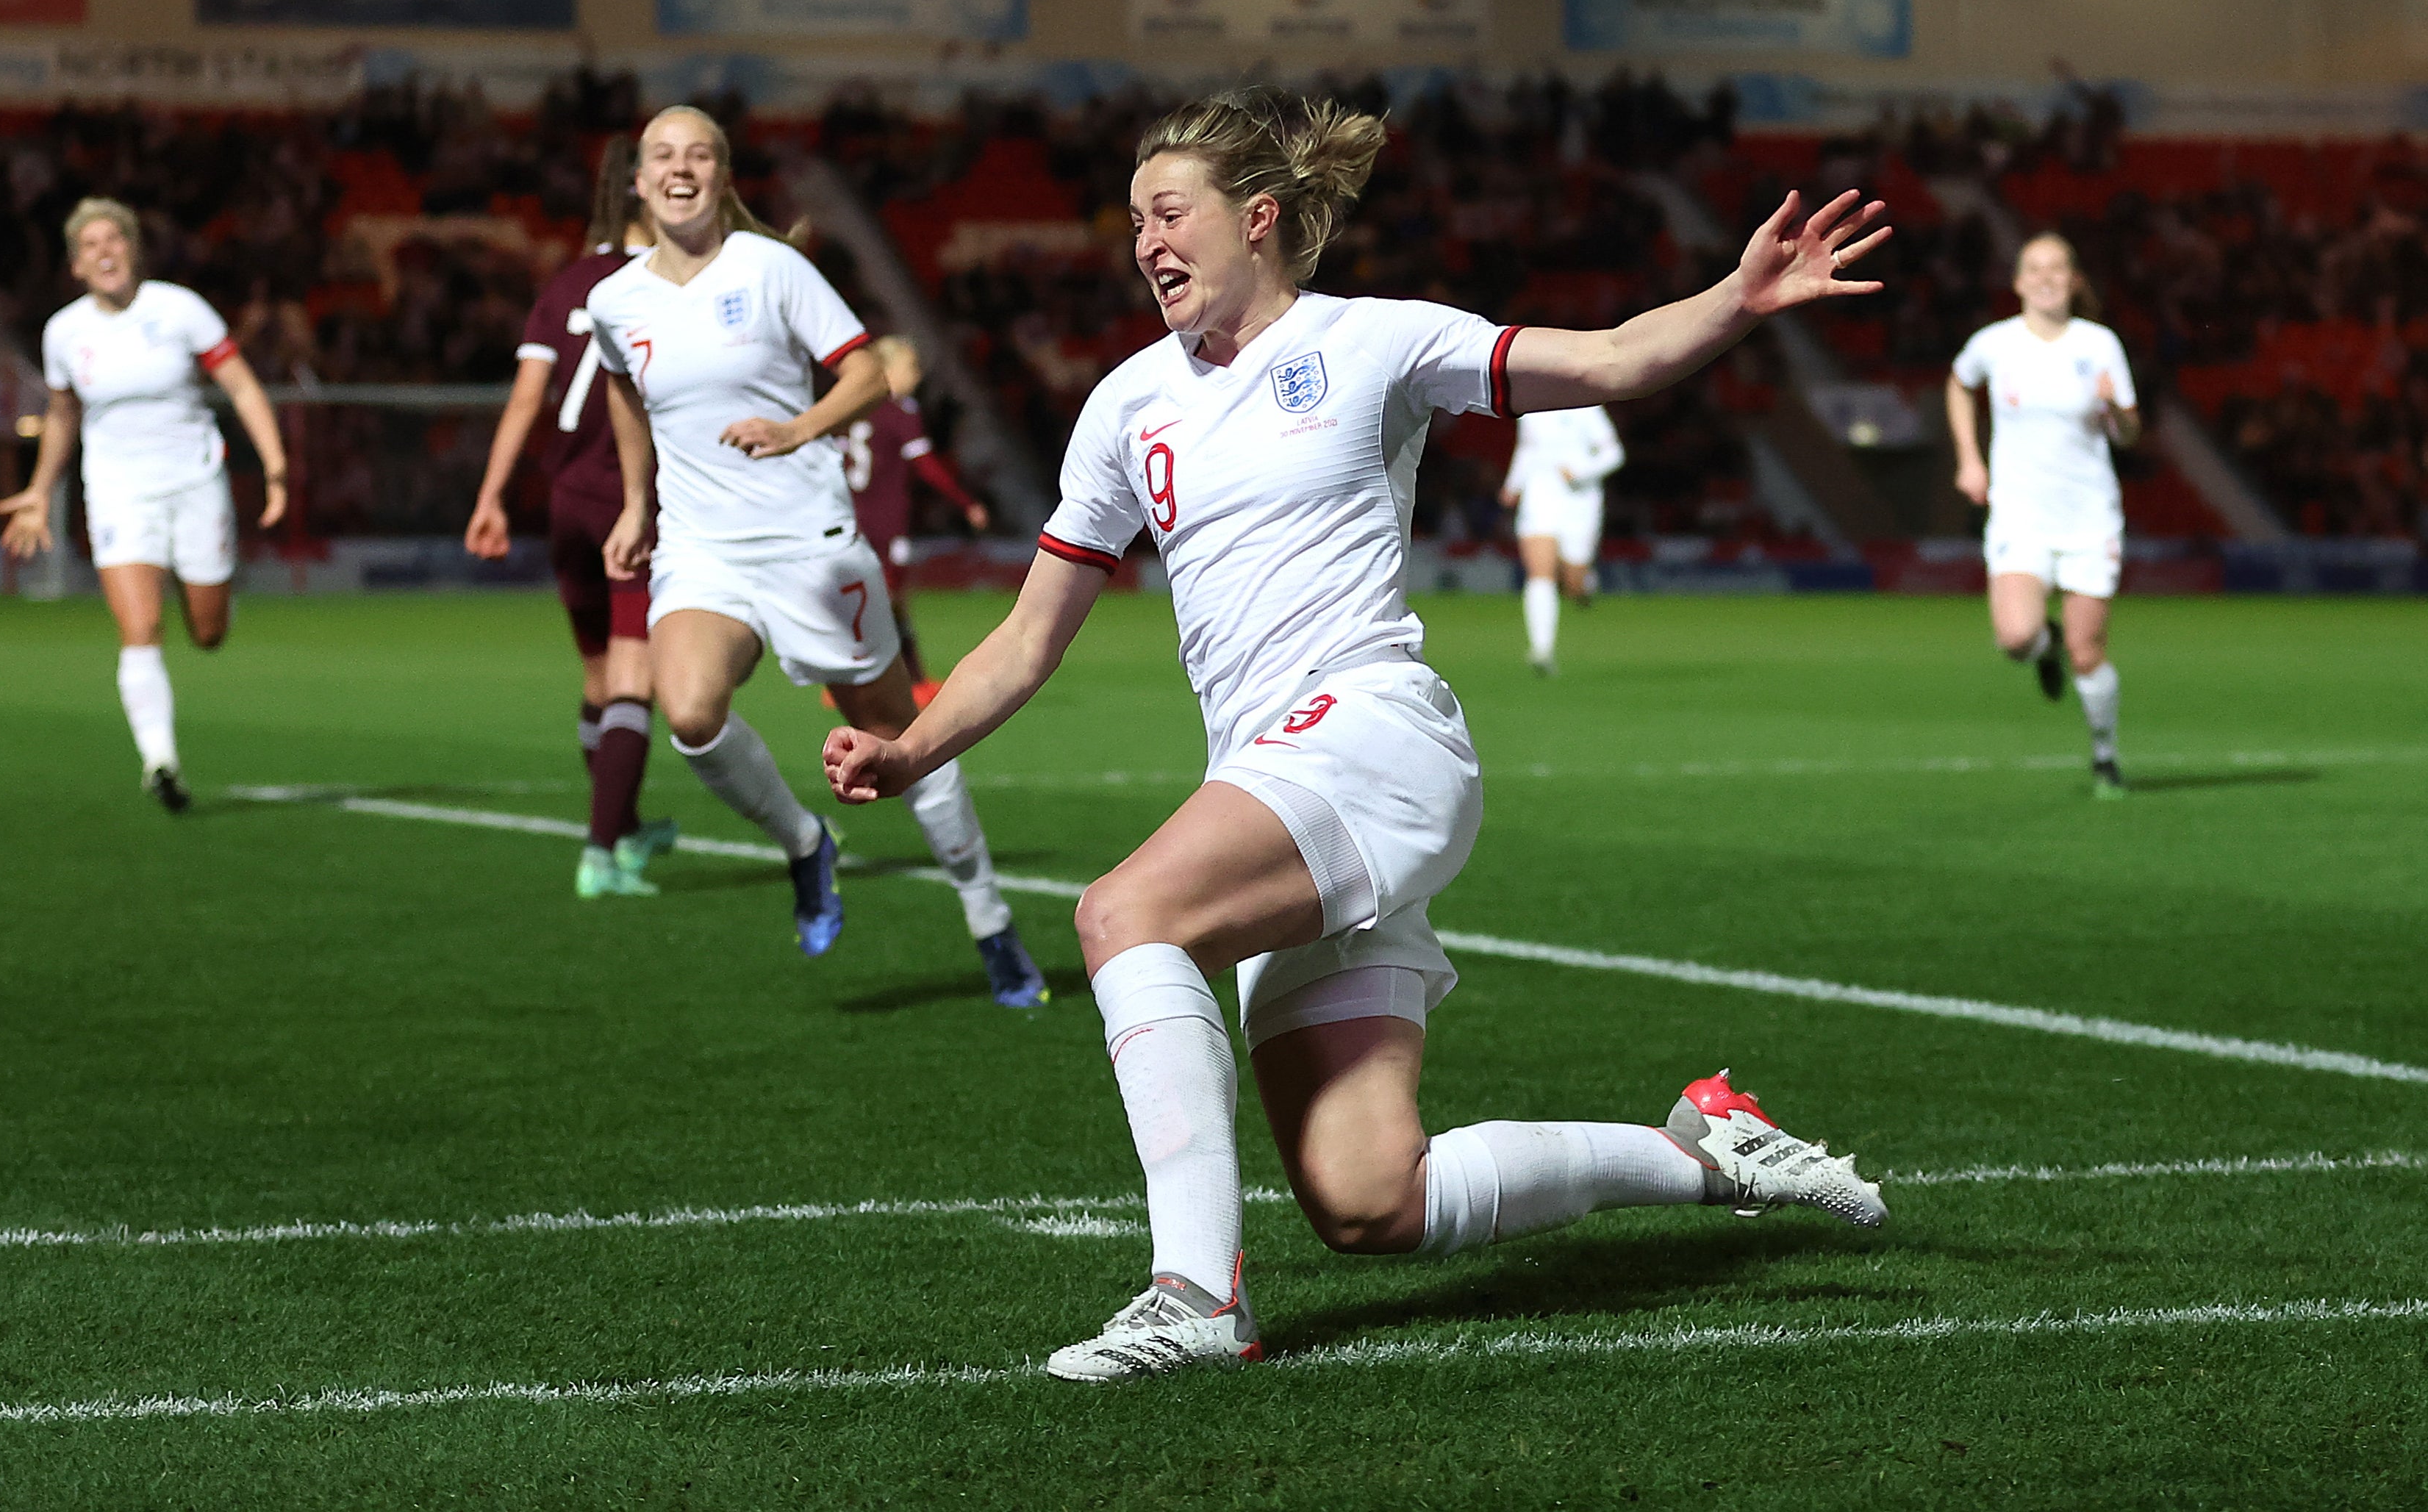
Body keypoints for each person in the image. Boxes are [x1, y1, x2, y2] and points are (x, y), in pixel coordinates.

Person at [824, 89, 1891, 1383]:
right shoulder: (1123, 407)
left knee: (1123, 913)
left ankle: (1194, 1297)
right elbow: (1030, 633)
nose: (1144, 243)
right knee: (1369, 1200)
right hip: (1272, 783)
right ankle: (1702, 1148)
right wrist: (910, 747)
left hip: (1371, 735)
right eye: (1130, 224)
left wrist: (1735, 299)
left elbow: (1606, 360)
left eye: (1168, 213)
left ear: (1256, 219)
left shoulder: (1376, 342)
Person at [594, 105, 1048, 1008]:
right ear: (639, 184)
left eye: (699, 155)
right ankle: (805, 843)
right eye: (662, 158)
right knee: (687, 714)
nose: (680, 170)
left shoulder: (772, 268)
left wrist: (795, 428)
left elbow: (868, 371)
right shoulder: (615, 300)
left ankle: (987, 916)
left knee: (896, 734)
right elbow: (620, 386)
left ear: (721, 178)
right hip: (700, 552)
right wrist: (636, 501)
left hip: (808, 543)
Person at [0, 198, 288, 811]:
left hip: (195, 482)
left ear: (133, 249)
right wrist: (39, 491)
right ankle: (161, 761)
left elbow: (238, 382)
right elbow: (63, 413)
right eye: (91, 245)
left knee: (207, 632)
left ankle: (201, 593)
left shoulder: (180, 310)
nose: (105, 252)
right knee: (141, 627)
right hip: (118, 490)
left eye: (115, 240)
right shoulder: (65, 332)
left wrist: (275, 464)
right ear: (76, 265)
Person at [465, 137, 676, 897]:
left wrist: (490, 496)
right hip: (627, 502)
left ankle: (621, 827)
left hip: (562, 503)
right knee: (633, 677)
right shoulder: (666, 285)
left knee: (597, 676)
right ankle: (600, 853)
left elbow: (527, 397)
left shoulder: (565, 284)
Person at [1946, 231, 2140, 798]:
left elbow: (2128, 433)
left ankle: (2104, 757)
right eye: (2035, 268)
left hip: (2088, 518)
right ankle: (2042, 646)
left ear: (2074, 279)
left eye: (2058, 267)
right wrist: (1968, 459)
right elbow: (1958, 385)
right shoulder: (1994, 343)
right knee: (2014, 637)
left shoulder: (2099, 344)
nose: (2047, 277)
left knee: (2089, 652)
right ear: (2018, 281)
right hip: (2019, 516)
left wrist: (2116, 409)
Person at [841, 334, 991, 706]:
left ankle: (852, 677)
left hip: (849, 517)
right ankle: (914, 680)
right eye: (911, 367)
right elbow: (926, 466)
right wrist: (966, 502)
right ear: (889, 372)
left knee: (865, 597)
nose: (917, 375)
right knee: (893, 600)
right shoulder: (900, 411)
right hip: (886, 522)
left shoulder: (852, 409)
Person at [1498, 404, 1624, 673]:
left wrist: (1581, 471)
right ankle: (1541, 651)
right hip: (1540, 497)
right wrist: (1514, 485)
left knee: (1573, 584)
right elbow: (1527, 449)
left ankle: (1584, 584)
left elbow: (1614, 453)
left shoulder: (1587, 408)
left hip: (1580, 502)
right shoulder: (1531, 407)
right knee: (1540, 573)